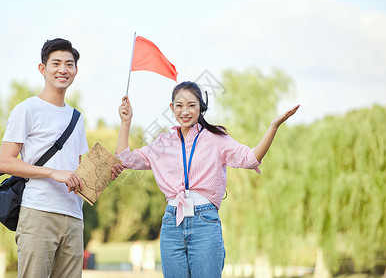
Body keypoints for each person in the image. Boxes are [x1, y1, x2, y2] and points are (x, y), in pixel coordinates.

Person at [116, 81, 299, 278]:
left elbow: (251, 158)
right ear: (172, 108)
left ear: (201, 108)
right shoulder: (163, 143)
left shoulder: (215, 139)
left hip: (204, 221)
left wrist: (273, 126)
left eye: (191, 105)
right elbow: (125, 159)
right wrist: (126, 122)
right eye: (179, 105)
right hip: (171, 223)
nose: (185, 111)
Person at [0, 38, 123, 278]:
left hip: (73, 216)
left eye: (69, 64)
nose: (63, 69)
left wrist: (104, 174)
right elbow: (5, 162)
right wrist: (52, 172)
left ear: (76, 70)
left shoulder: (77, 118)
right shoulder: (27, 109)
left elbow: (76, 173)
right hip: (38, 211)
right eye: (56, 63)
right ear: (42, 69)